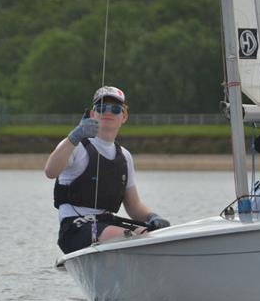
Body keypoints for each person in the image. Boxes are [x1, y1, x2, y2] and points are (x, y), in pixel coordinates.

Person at [45, 86, 170, 254]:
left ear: (124, 116)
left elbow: (133, 206)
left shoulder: (125, 156)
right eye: (101, 108)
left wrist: (153, 217)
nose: (108, 112)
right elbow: (50, 171)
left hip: (107, 225)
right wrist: (74, 136)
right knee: (125, 235)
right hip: (75, 230)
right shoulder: (75, 145)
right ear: (92, 115)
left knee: (153, 235)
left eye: (115, 109)